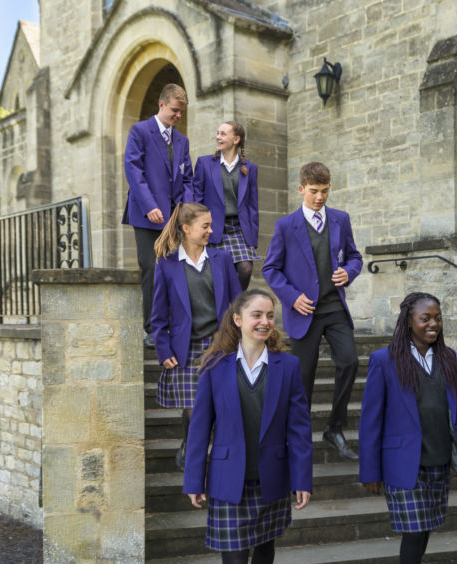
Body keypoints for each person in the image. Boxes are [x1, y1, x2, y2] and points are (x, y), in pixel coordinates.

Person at [183, 289, 314, 564]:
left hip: (273, 475)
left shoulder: (287, 367)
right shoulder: (214, 366)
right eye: (257, 314)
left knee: (266, 546)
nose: (265, 322)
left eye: (270, 315)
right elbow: (200, 428)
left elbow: (299, 426)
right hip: (228, 481)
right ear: (238, 320)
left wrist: (302, 477)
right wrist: (194, 478)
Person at [357, 292, 457, 564]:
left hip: (439, 459)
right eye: (425, 318)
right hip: (401, 464)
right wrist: (370, 471)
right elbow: (370, 421)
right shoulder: (384, 361)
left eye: (437, 317)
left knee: (425, 530)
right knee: (413, 533)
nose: (433, 324)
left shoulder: (448, 359)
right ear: (408, 320)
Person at [261, 161, 363, 461]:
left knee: (350, 361)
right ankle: (298, 437)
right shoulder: (285, 226)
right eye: (314, 191)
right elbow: (271, 268)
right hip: (303, 313)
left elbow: (355, 256)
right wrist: (292, 298)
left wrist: (349, 271)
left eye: (325, 191)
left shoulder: (341, 220)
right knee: (303, 378)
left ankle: (334, 428)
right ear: (301, 189)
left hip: (334, 307)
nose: (320, 197)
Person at [151, 202, 241, 470]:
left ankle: (206, 447)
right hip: (185, 348)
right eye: (205, 226)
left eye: (211, 225)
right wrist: (163, 349)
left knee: (216, 405)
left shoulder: (222, 260)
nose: (211, 231)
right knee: (193, 408)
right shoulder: (166, 265)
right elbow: (157, 315)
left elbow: (239, 304)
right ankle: (192, 445)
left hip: (219, 343)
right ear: (186, 229)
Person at [122, 83, 193, 347]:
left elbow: (187, 178)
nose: (178, 116)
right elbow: (133, 170)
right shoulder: (140, 131)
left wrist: (185, 210)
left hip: (175, 219)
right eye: (175, 110)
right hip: (146, 215)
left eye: (182, 113)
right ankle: (151, 329)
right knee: (152, 269)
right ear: (162, 105)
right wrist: (150, 205)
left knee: (175, 270)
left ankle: (174, 324)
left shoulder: (182, 141)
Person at [190, 121, 260, 290]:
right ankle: (223, 310)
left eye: (223, 134)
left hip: (239, 229)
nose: (218, 137)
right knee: (217, 275)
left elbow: (252, 205)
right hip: (213, 228)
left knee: (245, 269)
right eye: (218, 133)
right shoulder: (204, 163)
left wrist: (253, 237)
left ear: (236, 139)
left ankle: (236, 307)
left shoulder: (250, 168)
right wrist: (197, 229)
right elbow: (197, 199)